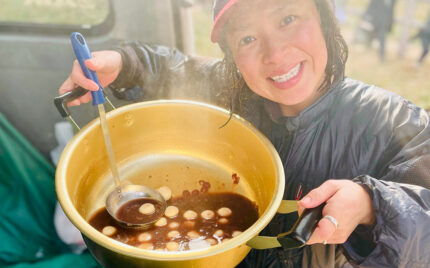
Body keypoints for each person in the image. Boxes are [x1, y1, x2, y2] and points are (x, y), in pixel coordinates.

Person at [59, 0, 430, 267]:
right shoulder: (234, 93)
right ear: (233, 58)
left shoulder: (395, 123)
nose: (274, 53)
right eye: (248, 39)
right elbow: (177, 70)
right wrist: (126, 65)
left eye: (287, 17)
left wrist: (372, 205)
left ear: (325, 18)